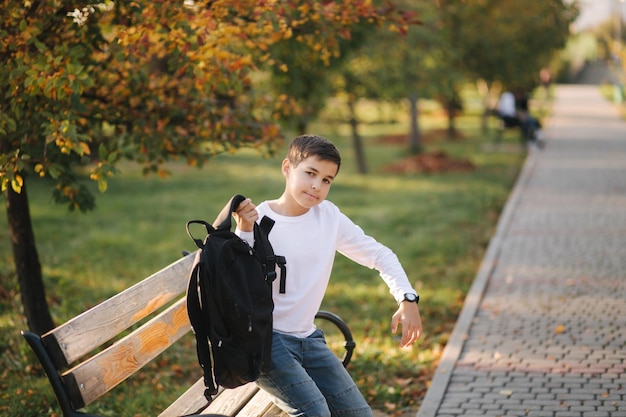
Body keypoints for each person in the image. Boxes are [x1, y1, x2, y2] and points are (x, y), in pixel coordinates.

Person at [230, 134, 422, 417]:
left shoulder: (328, 217)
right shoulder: (258, 221)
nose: (317, 186)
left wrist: (407, 298)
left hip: (309, 338)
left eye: (327, 180)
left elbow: (381, 255)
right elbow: (237, 282)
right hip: (266, 343)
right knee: (316, 413)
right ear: (287, 168)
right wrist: (244, 230)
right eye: (310, 173)